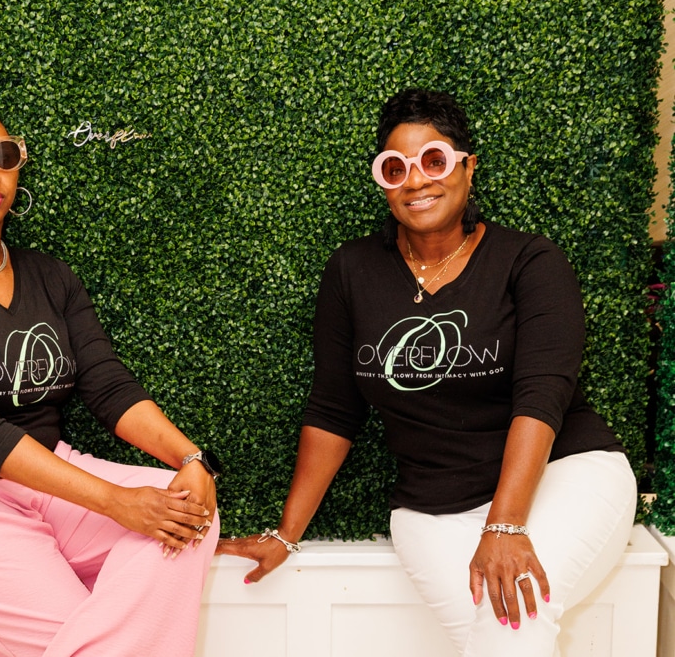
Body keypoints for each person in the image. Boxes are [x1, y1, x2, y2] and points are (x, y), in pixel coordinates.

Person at [217, 88, 636, 657]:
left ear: (468, 166)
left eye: (434, 160)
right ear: (384, 182)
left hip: (565, 476)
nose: (416, 181)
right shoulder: (352, 269)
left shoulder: (530, 261)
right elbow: (334, 410)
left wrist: (506, 524)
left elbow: (542, 395)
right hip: (431, 508)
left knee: (514, 620)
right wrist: (287, 533)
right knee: (503, 630)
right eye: (396, 168)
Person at [0, 104, 220, 657]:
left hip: (42, 477)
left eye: (3, 155)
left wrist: (191, 459)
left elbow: (107, 385)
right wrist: (117, 502)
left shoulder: (50, 276)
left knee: (191, 515)